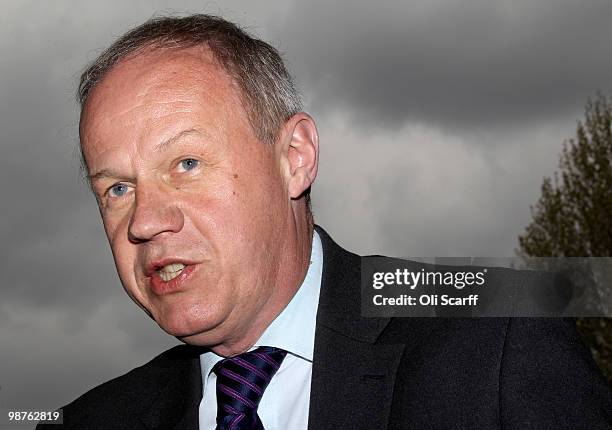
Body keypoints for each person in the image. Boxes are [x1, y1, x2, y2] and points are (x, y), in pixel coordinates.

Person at [38, 14, 611, 430]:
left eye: (186, 164)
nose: (145, 221)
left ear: (295, 158)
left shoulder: (499, 335)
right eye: (117, 188)